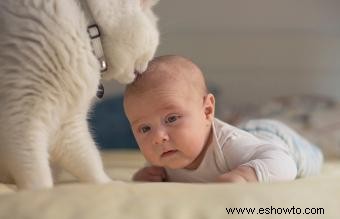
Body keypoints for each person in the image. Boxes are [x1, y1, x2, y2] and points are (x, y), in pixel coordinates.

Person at [123, 55, 323, 183]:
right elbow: (153, 172)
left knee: (311, 162)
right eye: (145, 129)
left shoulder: (229, 145)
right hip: (245, 134)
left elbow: (284, 164)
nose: (158, 137)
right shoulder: (165, 156)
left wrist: (246, 176)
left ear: (207, 111)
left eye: (172, 118)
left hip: (275, 139)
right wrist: (143, 177)